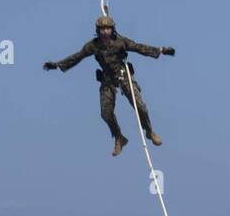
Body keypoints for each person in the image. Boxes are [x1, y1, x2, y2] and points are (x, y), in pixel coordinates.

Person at [43, 15, 175, 156]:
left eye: (108, 29)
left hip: (123, 76)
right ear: (98, 31)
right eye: (102, 29)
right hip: (107, 80)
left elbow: (139, 48)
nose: (105, 32)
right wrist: (58, 65)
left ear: (113, 30)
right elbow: (78, 56)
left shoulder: (121, 42)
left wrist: (160, 50)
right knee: (105, 113)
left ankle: (149, 131)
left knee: (140, 105)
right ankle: (119, 137)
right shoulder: (93, 45)